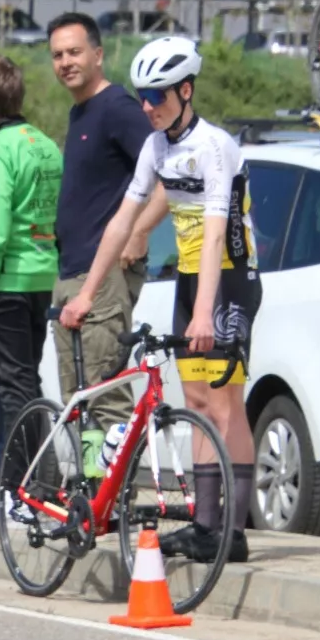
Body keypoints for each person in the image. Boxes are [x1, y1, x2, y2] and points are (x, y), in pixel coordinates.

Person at [64, 36, 260, 563]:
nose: (148, 107)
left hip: (230, 279)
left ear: (186, 90)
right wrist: (87, 292)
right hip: (192, 278)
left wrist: (202, 314)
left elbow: (217, 231)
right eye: (144, 97)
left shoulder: (214, 145)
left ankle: (232, 534)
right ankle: (204, 527)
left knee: (224, 406)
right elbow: (121, 222)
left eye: (159, 97)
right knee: (194, 402)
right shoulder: (156, 148)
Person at [46, 12, 153, 432]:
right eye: (57, 55)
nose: (66, 62)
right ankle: (90, 495)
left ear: (98, 54)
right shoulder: (81, 112)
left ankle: (115, 495)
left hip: (103, 276)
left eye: (74, 52)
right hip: (72, 272)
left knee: (104, 397)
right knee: (78, 401)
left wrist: (140, 231)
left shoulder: (117, 109)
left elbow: (165, 172)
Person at [0, 55, 62, 474]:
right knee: (24, 380)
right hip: (41, 274)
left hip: (4, 279)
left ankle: (23, 486)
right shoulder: (44, 144)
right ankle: (33, 477)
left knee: (13, 386)